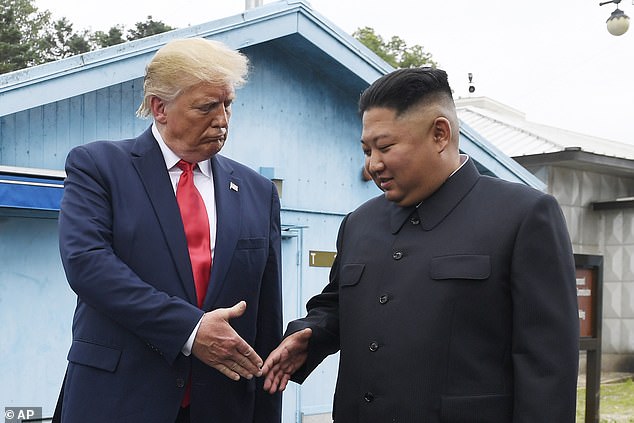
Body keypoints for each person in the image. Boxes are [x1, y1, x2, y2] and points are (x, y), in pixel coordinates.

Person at [262, 67, 579, 422]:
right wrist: (310, 334)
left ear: (440, 134)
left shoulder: (523, 216)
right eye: (367, 150)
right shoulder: (359, 223)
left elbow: (548, 365)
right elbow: (336, 304)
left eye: (385, 147)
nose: (373, 164)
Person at [54, 38, 282, 423]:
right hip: (118, 400)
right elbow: (88, 265)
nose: (222, 119)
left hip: (223, 406)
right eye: (207, 107)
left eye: (228, 105)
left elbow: (265, 316)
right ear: (160, 108)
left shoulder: (257, 191)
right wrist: (190, 329)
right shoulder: (99, 166)